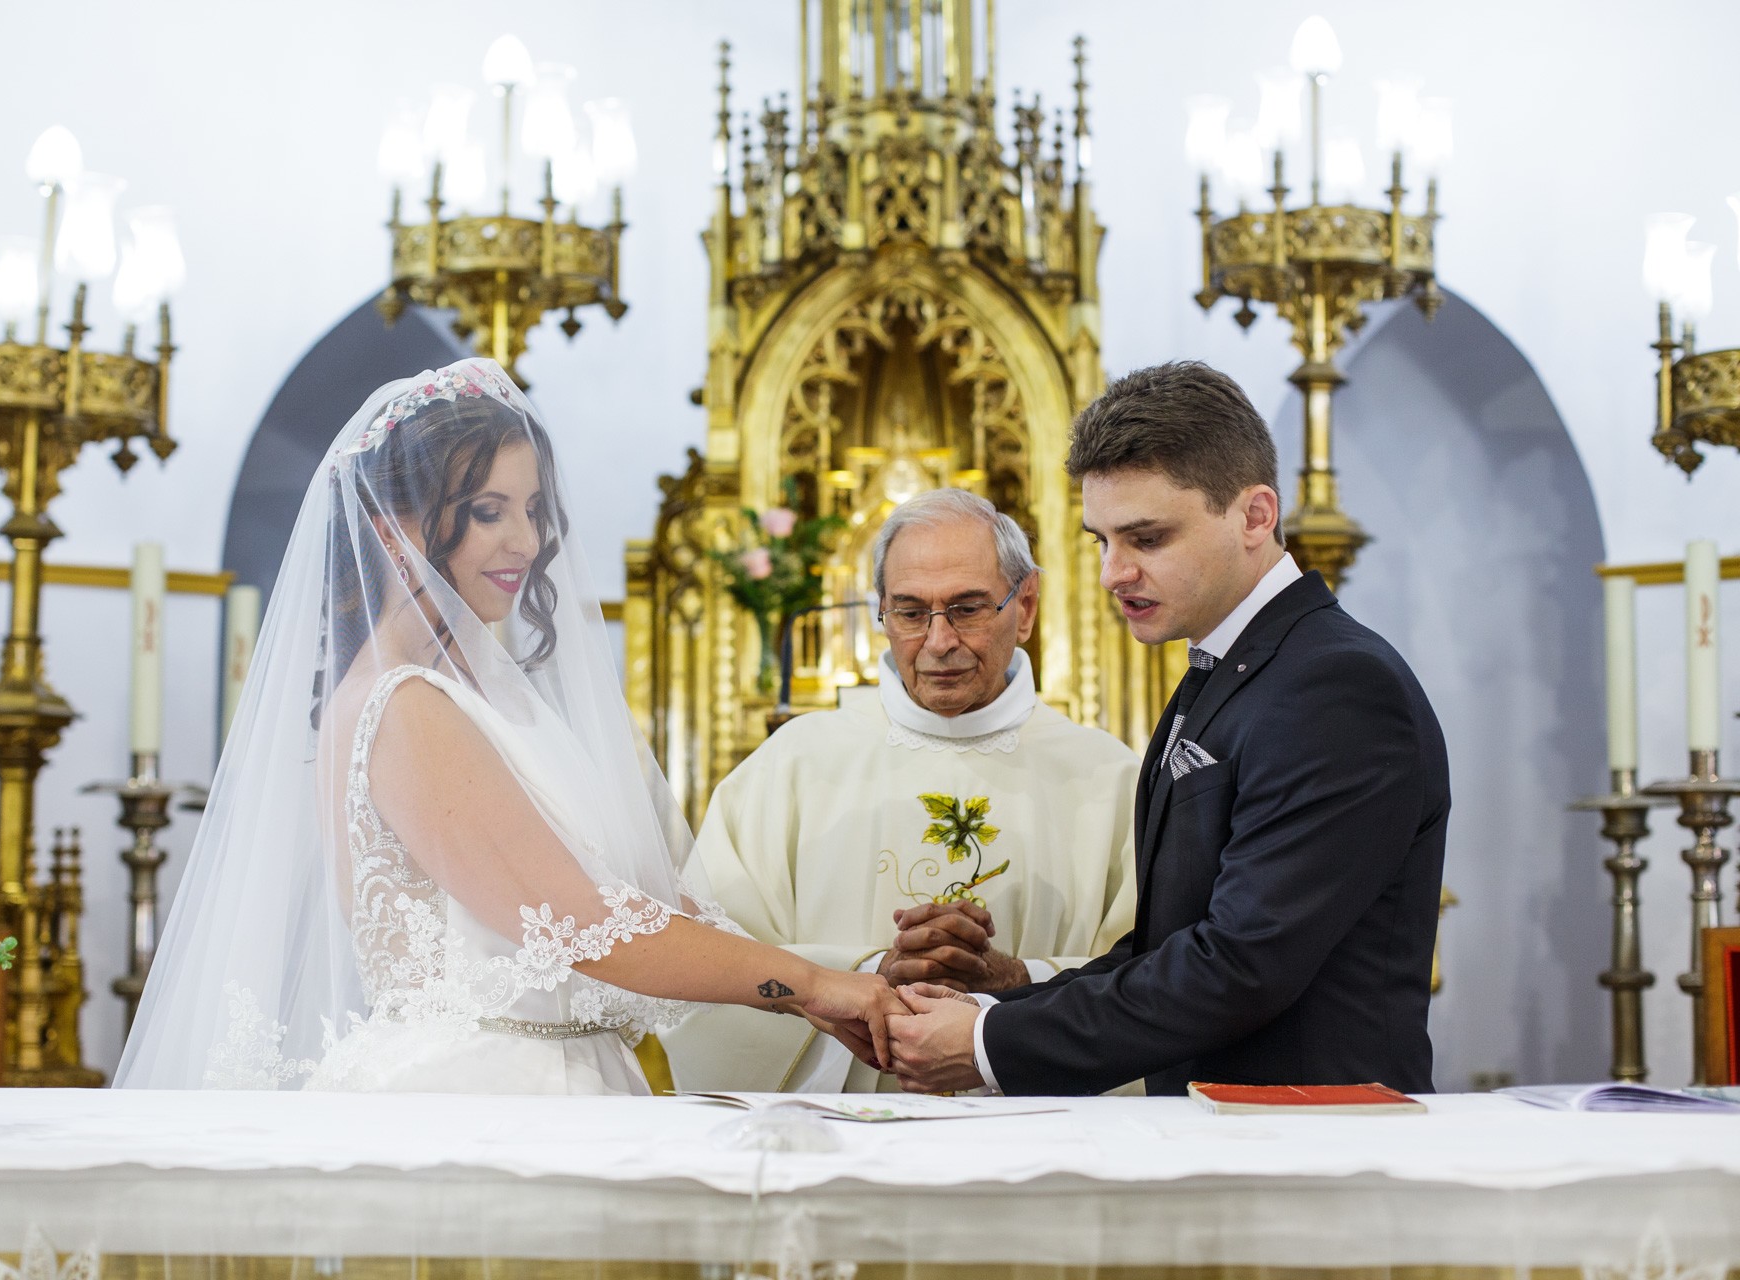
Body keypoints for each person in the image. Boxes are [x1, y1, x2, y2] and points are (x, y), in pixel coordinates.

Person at [115, 358, 901, 1094]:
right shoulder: (402, 707)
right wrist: (814, 987)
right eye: (488, 511)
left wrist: (851, 972)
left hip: (560, 1075)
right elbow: (584, 923)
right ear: (393, 526)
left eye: (532, 510)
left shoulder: (485, 700)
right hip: (483, 1091)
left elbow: (644, 901)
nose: (526, 542)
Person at [887, 361, 1450, 1097]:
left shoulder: (1335, 685)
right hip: (1234, 1134)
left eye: (1146, 539)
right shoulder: (1228, 672)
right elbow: (1162, 949)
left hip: (1311, 1144)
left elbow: (1239, 966)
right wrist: (992, 1009)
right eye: (1101, 541)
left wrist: (989, 1043)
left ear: (1254, 516)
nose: (1112, 573)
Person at [662, 488, 1138, 1093]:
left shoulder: (1109, 779)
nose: (938, 642)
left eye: (967, 608)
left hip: (1035, 1140)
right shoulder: (792, 766)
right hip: (837, 1144)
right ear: (881, 613)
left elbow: (1162, 980)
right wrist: (864, 976)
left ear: (1026, 607)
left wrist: (1022, 981)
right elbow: (706, 961)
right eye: (911, 613)